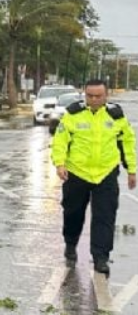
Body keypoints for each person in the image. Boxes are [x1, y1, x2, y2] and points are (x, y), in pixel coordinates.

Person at [51, 79, 137, 276]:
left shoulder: (116, 116)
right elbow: (60, 141)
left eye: (98, 96)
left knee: (105, 217)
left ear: (106, 95)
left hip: (105, 173)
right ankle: (70, 244)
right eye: (90, 96)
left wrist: (131, 170)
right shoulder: (73, 114)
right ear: (85, 95)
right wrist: (60, 163)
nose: (94, 99)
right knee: (73, 212)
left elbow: (127, 143)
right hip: (76, 173)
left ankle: (101, 257)